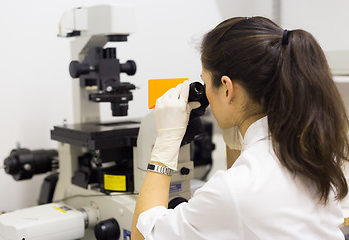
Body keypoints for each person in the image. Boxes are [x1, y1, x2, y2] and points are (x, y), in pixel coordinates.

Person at [131, 16, 349, 240]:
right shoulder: (311, 154)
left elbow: (142, 235)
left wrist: (164, 147)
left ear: (227, 88)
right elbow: (240, 223)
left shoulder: (234, 190)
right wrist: (235, 142)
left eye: (205, 82)